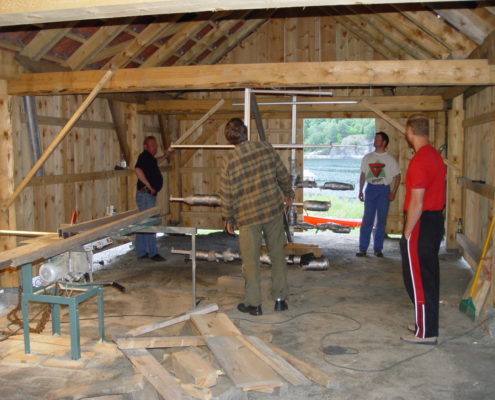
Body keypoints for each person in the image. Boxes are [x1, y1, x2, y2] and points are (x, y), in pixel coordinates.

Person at [220, 118, 294, 316]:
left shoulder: (230, 160)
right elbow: (283, 174)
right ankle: (280, 300)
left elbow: (227, 193)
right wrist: (288, 193)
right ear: (246, 132)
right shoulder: (265, 148)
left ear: (229, 139)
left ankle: (254, 304)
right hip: (272, 210)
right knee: (277, 255)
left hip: (247, 216)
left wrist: (229, 218)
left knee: (251, 261)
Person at [400, 114, 446, 345]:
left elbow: (417, 203)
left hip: (421, 223)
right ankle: (425, 323)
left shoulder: (419, 161)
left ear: (409, 131)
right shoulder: (434, 155)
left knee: (417, 280)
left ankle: (426, 333)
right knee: (428, 276)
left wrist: (407, 233)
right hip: (434, 220)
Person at [356, 131, 401, 257]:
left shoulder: (390, 159)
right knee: (367, 219)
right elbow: (363, 175)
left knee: (381, 220)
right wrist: (360, 190)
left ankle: (378, 249)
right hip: (370, 189)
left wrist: (393, 192)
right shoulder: (367, 158)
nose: (375, 141)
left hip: (383, 189)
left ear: (384, 142)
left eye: (377, 139)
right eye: (375, 139)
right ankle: (362, 248)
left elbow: (398, 176)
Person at [134, 136, 172, 261]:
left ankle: (142, 252)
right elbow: (137, 169)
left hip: (147, 195)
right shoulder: (144, 156)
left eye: (155, 145)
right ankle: (152, 253)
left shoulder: (149, 158)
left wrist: (165, 156)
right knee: (149, 223)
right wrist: (149, 186)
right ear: (145, 146)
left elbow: (156, 161)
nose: (155, 148)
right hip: (146, 195)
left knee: (143, 223)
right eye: (152, 145)